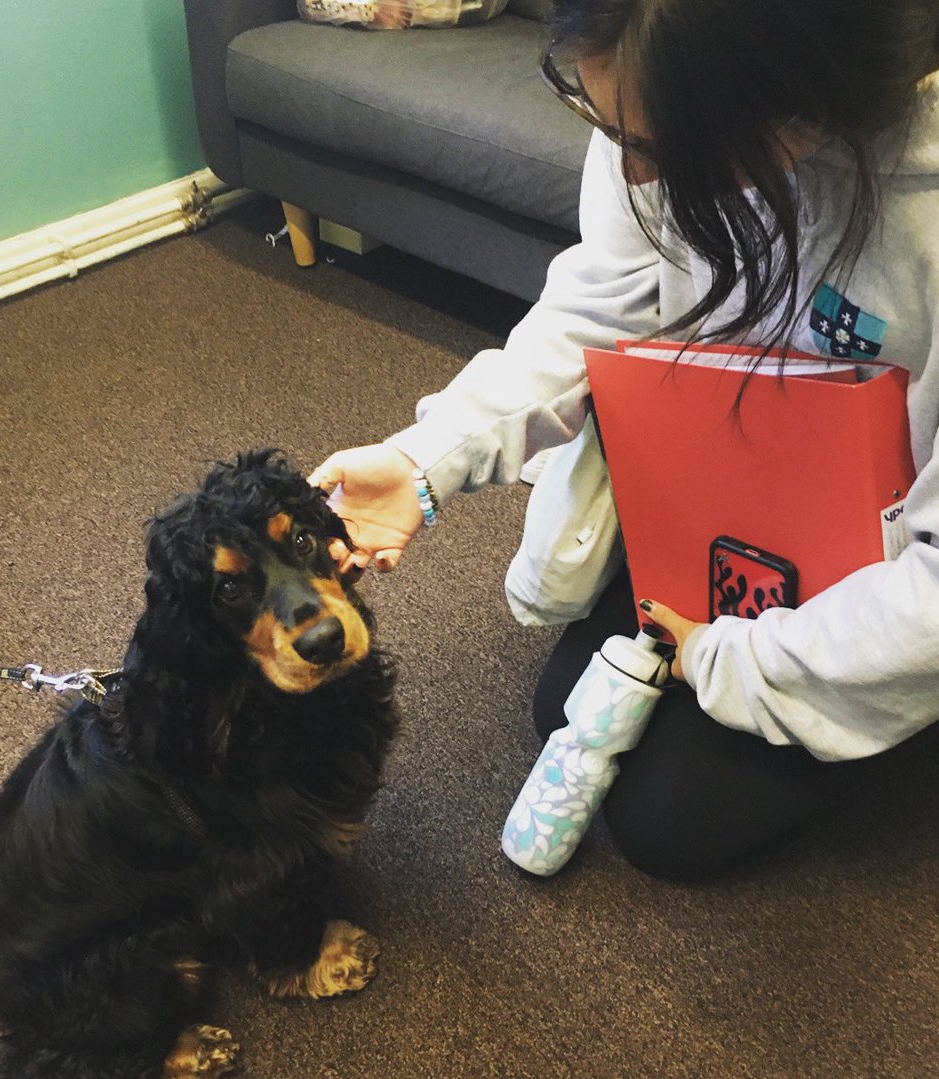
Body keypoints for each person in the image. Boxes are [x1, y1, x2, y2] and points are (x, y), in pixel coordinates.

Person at [309, 0, 939, 881]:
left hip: (890, 569)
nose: (635, 179)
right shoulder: (658, 90)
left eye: (669, 156)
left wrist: (732, 659)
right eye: (612, 133)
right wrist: (429, 454)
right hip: (733, 511)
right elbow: (601, 309)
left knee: (666, 825)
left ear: (805, 107)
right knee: (564, 707)